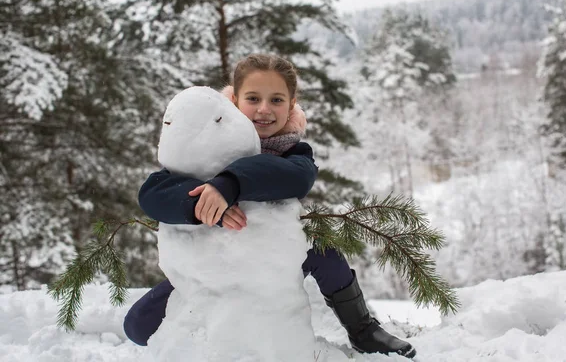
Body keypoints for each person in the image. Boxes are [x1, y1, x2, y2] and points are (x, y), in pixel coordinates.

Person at [123, 54, 416, 358]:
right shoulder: (205, 148)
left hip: (269, 260)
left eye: (276, 100)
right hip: (210, 267)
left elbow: (296, 176)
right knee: (138, 326)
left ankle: (363, 330)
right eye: (253, 98)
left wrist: (229, 184)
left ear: (291, 105)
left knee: (322, 250)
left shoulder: (293, 152)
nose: (264, 109)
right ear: (234, 101)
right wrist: (203, 203)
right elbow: (152, 193)